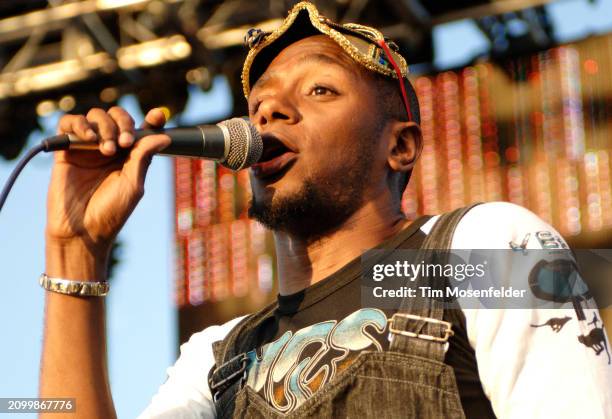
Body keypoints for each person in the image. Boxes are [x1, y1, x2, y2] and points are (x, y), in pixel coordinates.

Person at [39, 2, 611, 418]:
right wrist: (75, 253)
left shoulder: (483, 245)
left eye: (320, 91)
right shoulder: (215, 356)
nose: (270, 115)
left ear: (400, 146)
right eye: (259, 105)